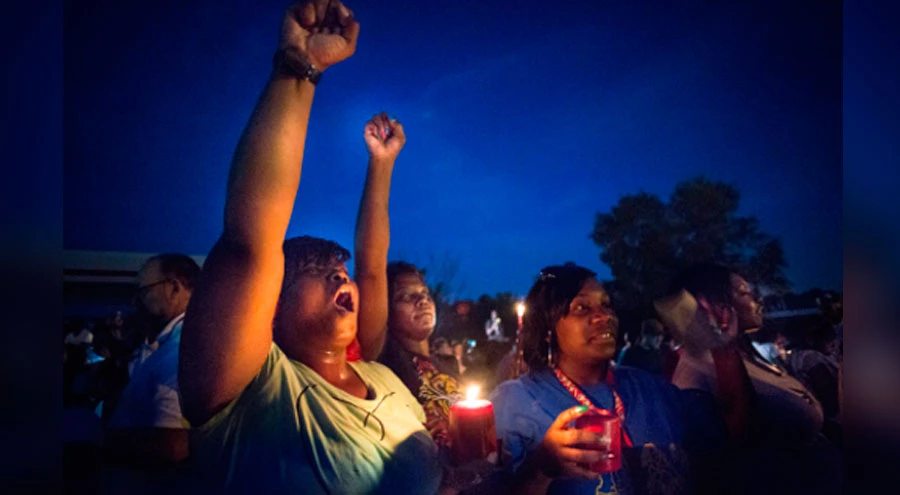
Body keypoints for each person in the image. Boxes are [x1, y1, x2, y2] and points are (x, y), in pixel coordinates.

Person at [178, 3, 442, 493]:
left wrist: (382, 164)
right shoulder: (251, 393)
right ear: (269, 302)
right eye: (319, 272)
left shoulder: (383, 376)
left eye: (339, 271)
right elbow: (250, 239)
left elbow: (372, 271)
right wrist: (298, 67)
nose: (342, 278)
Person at [487, 264, 726, 494]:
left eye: (607, 305)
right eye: (581, 308)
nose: (604, 316)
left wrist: (720, 347)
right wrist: (540, 469)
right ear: (547, 328)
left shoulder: (652, 389)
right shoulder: (515, 403)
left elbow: (732, 438)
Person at [662, 262, 842, 494]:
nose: (758, 300)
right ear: (713, 305)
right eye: (744, 292)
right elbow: (717, 459)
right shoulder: (697, 370)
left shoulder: (742, 356)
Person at [103, 254, 200, 492]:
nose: (136, 301)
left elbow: (173, 446)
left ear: (174, 288)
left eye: (143, 290)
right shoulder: (171, 344)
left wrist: (102, 443)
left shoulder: (180, 349)